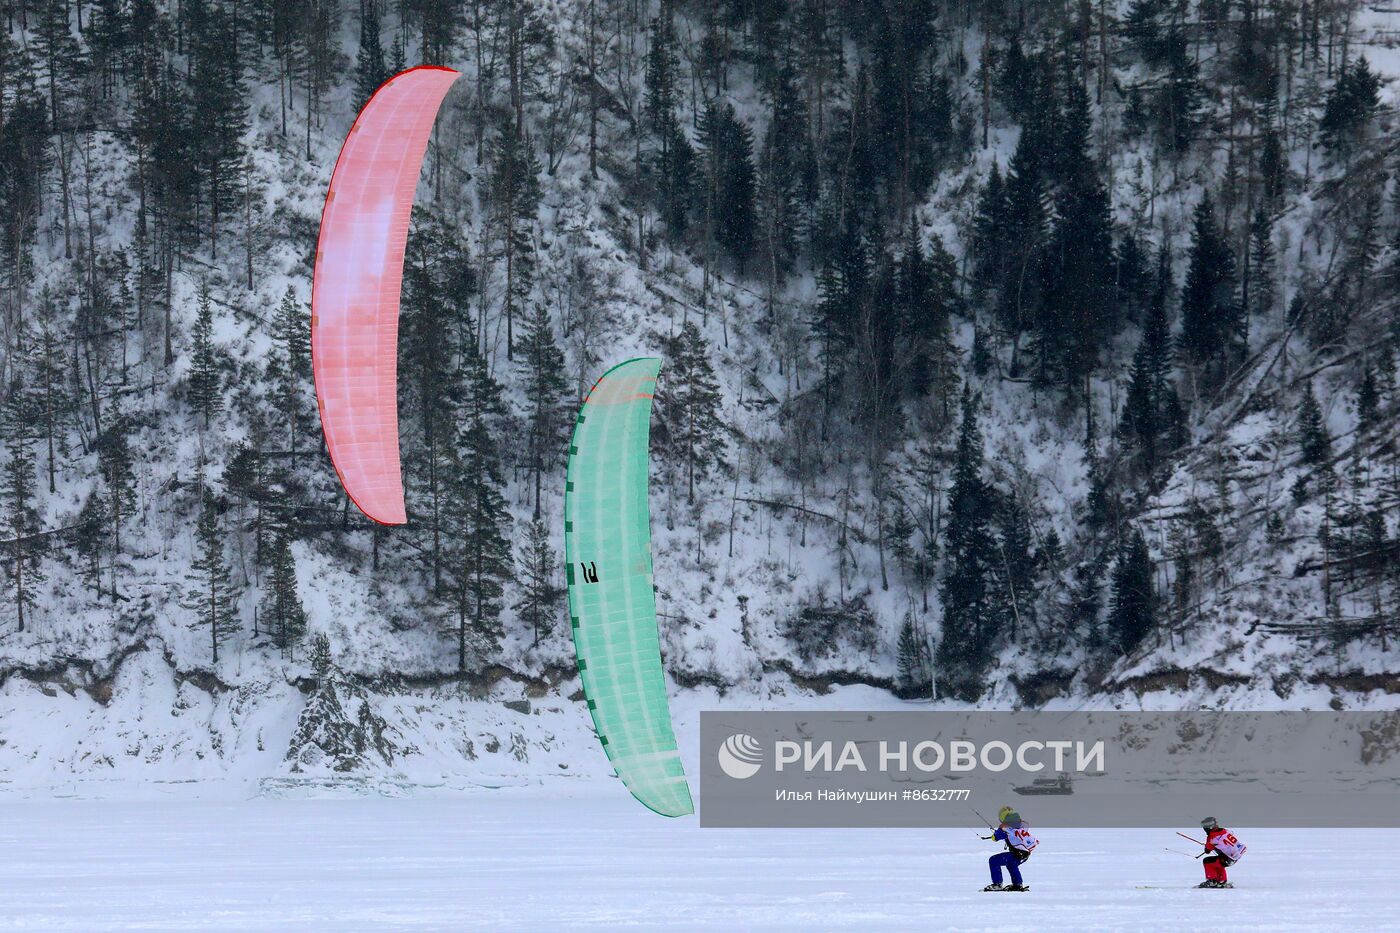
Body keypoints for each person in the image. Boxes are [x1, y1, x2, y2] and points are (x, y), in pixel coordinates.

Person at [983, 806, 1038, 891]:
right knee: (1011, 864)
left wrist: (995, 835)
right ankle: (1017, 884)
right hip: (1025, 854)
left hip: (1017, 854)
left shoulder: (1005, 827)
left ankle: (997, 884)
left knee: (993, 860)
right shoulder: (1019, 824)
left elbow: (996, 838)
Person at [1198, 817, 1246, 888]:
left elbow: (1207, 850)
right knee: (1218, 861)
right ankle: (1222, 881)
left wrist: (1208, 846)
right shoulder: (1225, 831)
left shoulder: (1212, 838)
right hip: (1235, 857)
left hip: (1228, 860)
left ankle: (1212, 881)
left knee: (1207, 861)